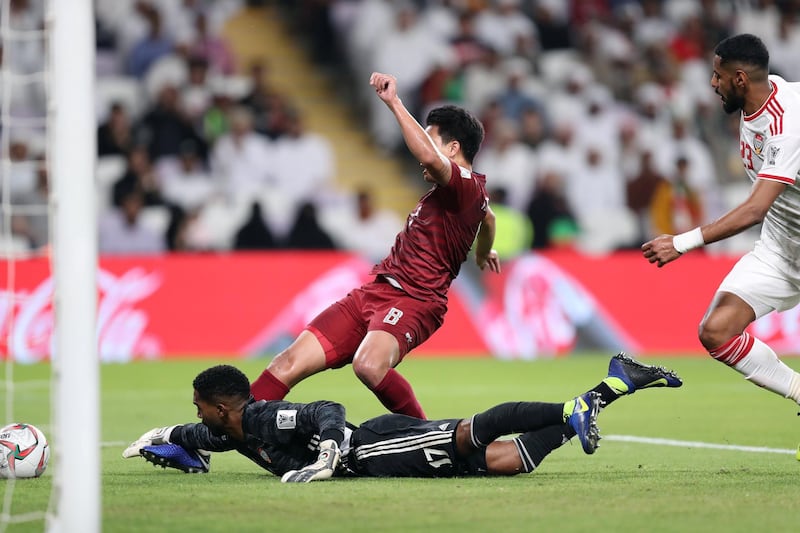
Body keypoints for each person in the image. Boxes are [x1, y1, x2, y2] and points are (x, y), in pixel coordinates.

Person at [246, 72, 500, 420]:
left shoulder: (466, 186)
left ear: (453, 148)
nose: (422, 147)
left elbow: (430, 160)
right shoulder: (465, 197)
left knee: (368, 365)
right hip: (373, 294)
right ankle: (226, 431)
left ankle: (425, 439)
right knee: (286, 362)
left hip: (416, 299)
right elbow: (489, 221)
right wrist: (485, 250)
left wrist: (394, 103)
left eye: (431, 138)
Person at [122, 353, 683, 480]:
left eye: (199, 407)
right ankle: (613, 385)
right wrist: (165, 440)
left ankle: (572, 407)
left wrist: (329, 450)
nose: (195, 416)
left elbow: (325, 409)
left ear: (224, 407)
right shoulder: (229, 430)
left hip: (373, 448)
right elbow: (191, 436)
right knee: (508, 463)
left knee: (469, 434)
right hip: (371, 458)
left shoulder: (266, 419)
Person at [641, 34, 800, 409]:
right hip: (780, 249)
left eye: (718, 76)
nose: (713, 84)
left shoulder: (786, 124)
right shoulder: (764, 97)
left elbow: (753, 210)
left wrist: (680, 242)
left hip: (775, 232)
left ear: (740, 79)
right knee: (716, 331)